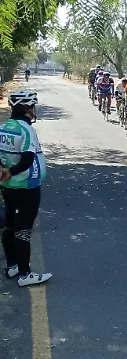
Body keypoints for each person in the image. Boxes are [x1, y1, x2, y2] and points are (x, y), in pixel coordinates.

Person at [0, 90, 51, 287]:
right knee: (24, 230)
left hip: (7, 186)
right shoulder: (26, 129)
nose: (34, 110)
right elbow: (28, 159)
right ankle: (25, 274)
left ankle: (12, 266)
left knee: (10, 225)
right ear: (27, 108)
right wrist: (12, 171)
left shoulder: (5, 127)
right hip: (27, 186)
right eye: (32, 107)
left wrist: (4, 172)